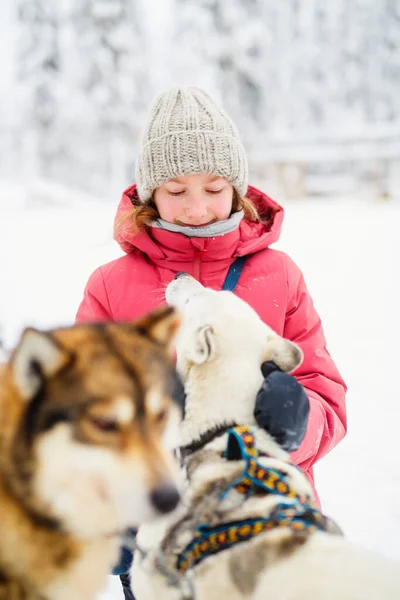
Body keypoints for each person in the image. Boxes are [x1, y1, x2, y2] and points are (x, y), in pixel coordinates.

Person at [76, 85, 347, 598]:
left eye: (215, 187)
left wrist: (300, 419)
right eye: (176, 191)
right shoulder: (110, 286)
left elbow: (327, 395)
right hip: (161, 536)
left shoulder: (280, 276)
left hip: (265, 528)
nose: (197, 208)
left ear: (238, 187)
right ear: (150, 191)